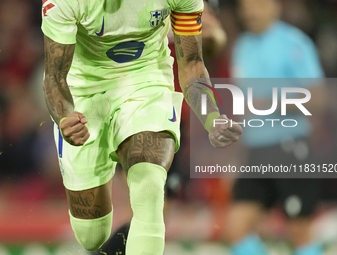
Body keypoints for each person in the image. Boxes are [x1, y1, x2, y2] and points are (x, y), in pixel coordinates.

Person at [41, 0, 242, 254]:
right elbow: (54, 77)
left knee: (149, 186)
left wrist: (212, 118)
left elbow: (192, 64)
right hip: (83, 91)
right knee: (91, 234)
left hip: (146, 81)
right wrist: (64, 118)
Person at [226, 0, 325, 255]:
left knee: (299, 232)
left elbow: (317, 97)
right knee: (236, 226)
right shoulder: (242, 46)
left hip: (289, 145)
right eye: (245, 6)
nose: (250, 11)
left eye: (257, 5)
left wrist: (269, 103)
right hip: (255, 150)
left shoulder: (294, 43)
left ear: (275, 6)